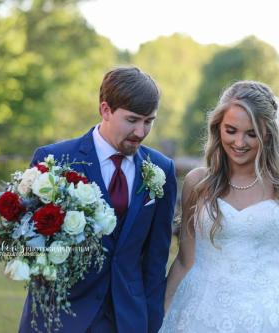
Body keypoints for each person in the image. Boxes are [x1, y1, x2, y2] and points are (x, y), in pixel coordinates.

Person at [160, 81, 279, 333]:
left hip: (270, 312)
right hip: (201, 310)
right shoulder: (197, 183)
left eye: (251, 133)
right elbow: (185, 260)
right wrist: (161, 312)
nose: (239, 142)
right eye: (231, 130)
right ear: (217, 127)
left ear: (267, 133)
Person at [19, 67, 178, 333]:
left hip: (126, 318)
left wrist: (151, 324)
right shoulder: (55, 161)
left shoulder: (161, 169)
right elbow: (28, 242)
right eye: (132, 120)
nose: (140, 131)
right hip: (60, 316)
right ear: (105, 109)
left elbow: (155, 260)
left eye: (149, 121)